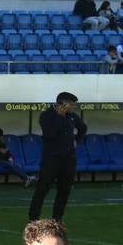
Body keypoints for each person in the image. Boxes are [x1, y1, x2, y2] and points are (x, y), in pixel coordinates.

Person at [28, 91, 86, 221]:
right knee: (42, 189)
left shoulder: (72, 116)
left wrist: (77, 139)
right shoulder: (46, 115)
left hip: (69, 159)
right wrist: (59, 117)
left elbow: (83, 128)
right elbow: (50, 134)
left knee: (64, 190)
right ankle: (33, 218)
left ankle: (57, 218)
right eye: (72, 104)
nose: (74, 107)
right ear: (63, 104)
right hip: (51, 159)